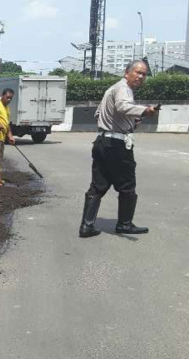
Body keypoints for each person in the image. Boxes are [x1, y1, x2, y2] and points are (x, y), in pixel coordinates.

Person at [79, 60, 158, 238]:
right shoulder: (124, 89)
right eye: (137, 72)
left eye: (144, 74)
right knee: (127, 186)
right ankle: (124, 225)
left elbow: (98, 114)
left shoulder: (112, 89)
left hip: (102, 142)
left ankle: (87, 226)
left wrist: (130, 122)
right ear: (126, 73)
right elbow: (122, 106)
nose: (141, 76)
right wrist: (145, 110)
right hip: (117, 146)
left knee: (98, 186)